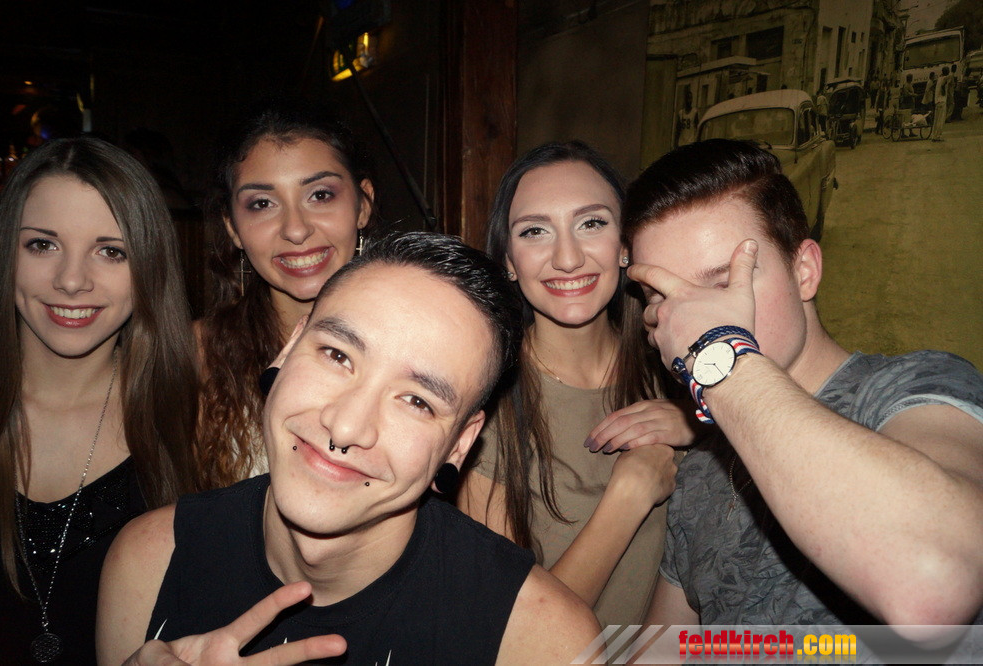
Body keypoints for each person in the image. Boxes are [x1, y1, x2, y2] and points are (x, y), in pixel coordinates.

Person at [96, 232, 602, 665]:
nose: (346, 425)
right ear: (289, 350)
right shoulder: (150, 560)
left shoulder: (544, 641)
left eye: (417, 401)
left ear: (460, 444)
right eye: (337, 355)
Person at [622, 140, 983, 636]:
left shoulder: (914, 388)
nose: (686, 320)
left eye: (724, 283)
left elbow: (933, 583)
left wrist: (718, 352)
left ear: (805, 271)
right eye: (663, 297)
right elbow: (665, 647)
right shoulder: (702, 468)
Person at [457, 141, 694, 627]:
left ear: (625, 245)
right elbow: (515, 636)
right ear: (508, 260)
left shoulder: (679, 366)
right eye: (535, 231)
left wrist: (699, 423)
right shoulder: (484, 403)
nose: (567, 258)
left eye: (591, 223)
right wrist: (629, 495)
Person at [0, 137, 199, 664]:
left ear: (149, 267)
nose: (72, 280)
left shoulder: (194, 422)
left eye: (111, 251)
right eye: (42, 245)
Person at [195, 99, 375, 488]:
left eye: (320, 195)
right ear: (233, 227)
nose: (295, 229)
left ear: (363, 205)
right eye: (262, 204)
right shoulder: (198, 355)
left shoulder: (416, 346)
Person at [932, 67, 950, 141]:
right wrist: (944, 92)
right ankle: (938, 136)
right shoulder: (945, 78)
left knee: (936, 120)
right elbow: (943, 86)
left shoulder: (939, 78)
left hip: (937, 101)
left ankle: (934, 136)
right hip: (942, 101)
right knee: (941, 120)